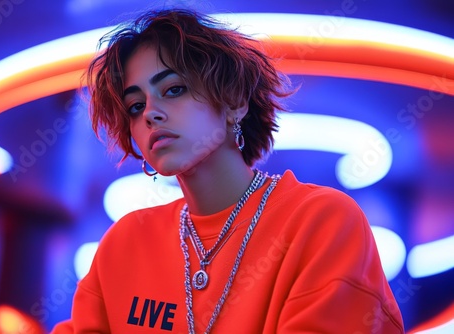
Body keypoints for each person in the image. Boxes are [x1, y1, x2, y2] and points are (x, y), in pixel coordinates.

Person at [52, 8, 405, 333]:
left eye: (174, 89)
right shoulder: (123, 243)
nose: (150, 114)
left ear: (234, 102)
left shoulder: (320, 221)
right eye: (135, 105)